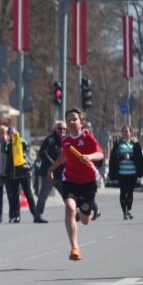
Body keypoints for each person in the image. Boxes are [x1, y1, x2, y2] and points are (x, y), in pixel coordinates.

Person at [47, 108, 103, 261]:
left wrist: (89, 157)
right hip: (70, 180)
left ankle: (85, 212)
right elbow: (64, 156)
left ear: (81, 122)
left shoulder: (87, 136)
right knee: (70, 207)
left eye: (74, 119)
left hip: (88, 182)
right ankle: (75, 247)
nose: (71, 122)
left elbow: (100, 154)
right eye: (68, 119)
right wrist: (52, 168)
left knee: (85, 221)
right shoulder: (65, 140)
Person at [2, 126, 42, 223]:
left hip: (24, 172)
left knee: (28, 194)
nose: (12, 135)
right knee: (15, 195)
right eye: (10, 133)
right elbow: (4, 150)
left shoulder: (21, 142)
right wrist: (6, 141)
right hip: (13, 173)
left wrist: (18, 138)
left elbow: (26, 145)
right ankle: (16, 215)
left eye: (13, 133)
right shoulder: (8, 144)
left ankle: (36, 215)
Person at [108, 125, 143, 220]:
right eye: (123, 131)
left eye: (127, 131)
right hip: (122, 173)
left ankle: (129, 210)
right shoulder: (118, 144)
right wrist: (122, 157)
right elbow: (114, 158)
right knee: (123, 192)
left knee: (130, 192)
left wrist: (130, 158)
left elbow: (139, 158)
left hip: (132, 173)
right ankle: (124, 211)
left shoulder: (135, 144)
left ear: (131, 133)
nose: (125, 133)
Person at [33, 121, 65, 223]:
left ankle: (73, 212)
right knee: (43, 195)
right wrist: (53, 164)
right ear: (55, 129)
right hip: (48, 173)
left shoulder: (65, 141)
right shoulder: (50, 139)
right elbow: (42, 153)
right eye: (60, 128)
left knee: (66, 194)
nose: (63, 131)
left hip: (60, 174)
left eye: (65, 129)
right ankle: (38, 215)